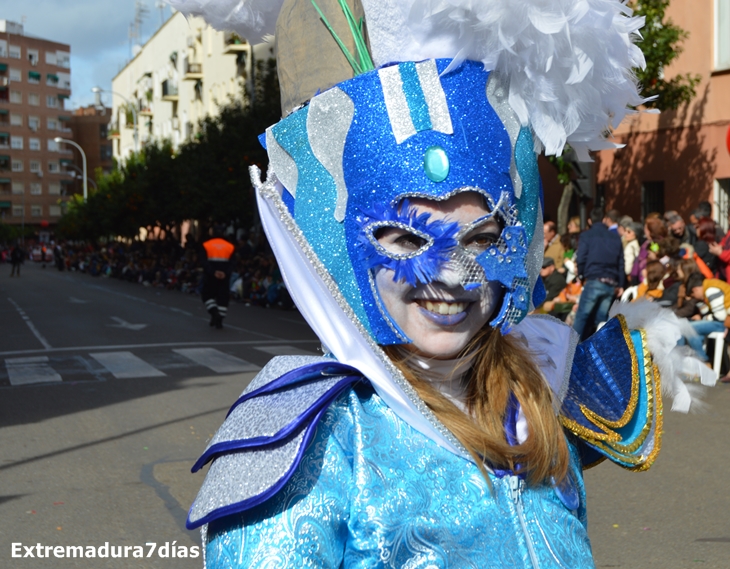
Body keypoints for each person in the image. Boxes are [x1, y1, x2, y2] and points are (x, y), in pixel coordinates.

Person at [169, 0, 714, 566]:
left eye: (480, 239)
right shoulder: (321, 444)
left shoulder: (544, 389)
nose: (453, 275)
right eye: (406, 239)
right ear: (340, 247)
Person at [572, 207, 625, 340]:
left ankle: (570, 349)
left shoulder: (586, 235)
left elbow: (581, 258)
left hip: (594, 279)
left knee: (582, 316)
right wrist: (621, 283)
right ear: (604, 219)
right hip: (611, 282)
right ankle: (599, 350)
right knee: (600, 320)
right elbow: (621, 262)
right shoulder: (615, 238)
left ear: (589, 221)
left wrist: (582, 275)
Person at [201, 227, 235, 329]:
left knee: (207, 295)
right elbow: (233, 263)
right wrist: (225, 273)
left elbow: (204, 262)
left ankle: (214, 313)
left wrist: (213, 272)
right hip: (224, 277)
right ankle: (219, 319)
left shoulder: (206, 245)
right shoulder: (230, 246)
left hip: (210, 276)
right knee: (223, 298)